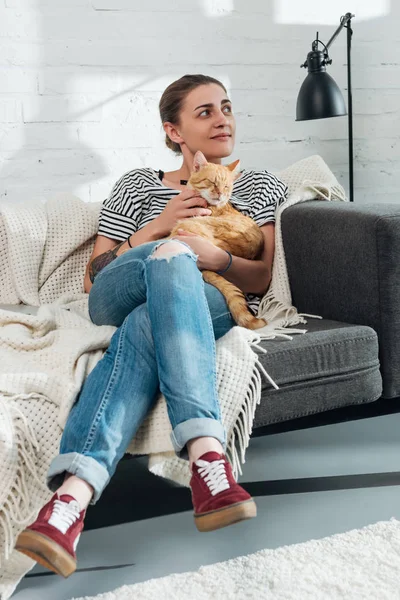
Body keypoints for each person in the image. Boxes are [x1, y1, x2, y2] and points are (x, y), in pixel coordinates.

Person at [15, 74, 288, 578]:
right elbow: (96, 281)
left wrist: (216, 257)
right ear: (174, 130)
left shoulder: (258, 185)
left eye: (226, 106)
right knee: (166, 255)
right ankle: (208, 456)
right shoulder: (137, 185)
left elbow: (262, 275)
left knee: (148, 320)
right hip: (125, 287)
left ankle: (68, 503)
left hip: (209, 295)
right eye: (204, 111)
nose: (223, 117)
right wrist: (156, 230)